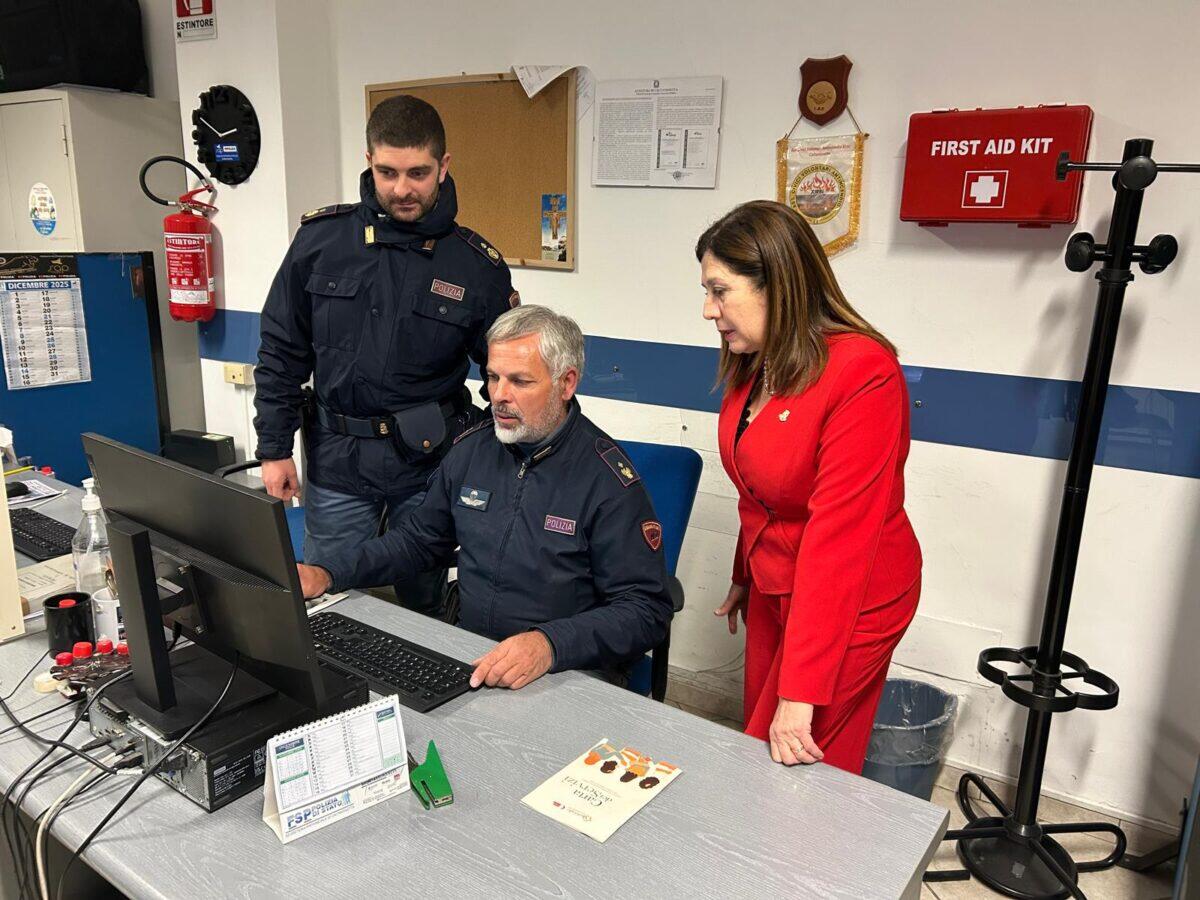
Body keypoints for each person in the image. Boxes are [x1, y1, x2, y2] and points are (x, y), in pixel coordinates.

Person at [296, 306, 673, 690]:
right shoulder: (473, 451)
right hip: (472, 651)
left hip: (567, 666)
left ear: (566, 383)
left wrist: (549, 645)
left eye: (520, 381)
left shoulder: (606, 480)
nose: (499, 396)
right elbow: (417, 541)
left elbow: (646, 609)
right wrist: (328, 572)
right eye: (493, 377)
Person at [253, 95, 517, 617]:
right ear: (368, 160)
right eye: (387, 171)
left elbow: (505, 376)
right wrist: (273, 447)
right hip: (337, 461)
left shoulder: (475, 266)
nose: (402, 188)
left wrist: (495, 463)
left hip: (428, 466)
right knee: (326, 597)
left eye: (418, 172)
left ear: (444, 165)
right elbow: (282, 350)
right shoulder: (320, 241)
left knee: (423, 609)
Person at [697, 200, 921, 774]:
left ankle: (802, 863)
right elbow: (758, 485)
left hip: (853, 598)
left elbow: (842, 537)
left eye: (720, 291)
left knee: (793, 757)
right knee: (763, 747)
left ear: (778, 283)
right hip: (777, 584)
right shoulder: (758, 361)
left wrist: (802, 692)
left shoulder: (863, 373)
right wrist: (746, 574)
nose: (708, 310)